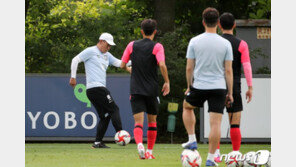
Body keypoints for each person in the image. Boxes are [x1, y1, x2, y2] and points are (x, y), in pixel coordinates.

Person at [181, 7, 233, 167]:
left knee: (187, 107)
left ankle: (192, 140)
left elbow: (189, 68)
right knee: (215, 123)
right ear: (218, 23)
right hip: (218, 87)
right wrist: (230, 93)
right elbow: (228, 70)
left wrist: (189, 86)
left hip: (199, 86)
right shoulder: (225, 43)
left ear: (203, 22)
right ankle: (210, 159)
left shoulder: (195, 41)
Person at [69, 32, 131, 148]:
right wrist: (73, 77)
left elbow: (119, 63)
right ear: (101, 41)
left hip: (94, 91)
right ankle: (121, 134)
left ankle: (97, 142)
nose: (109, 48)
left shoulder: (107, 55)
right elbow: (75, 60)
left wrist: (136, 61)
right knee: (114, 109)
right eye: (108, 45)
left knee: (105, 116)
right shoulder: (91, 51)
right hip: (96, 88)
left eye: (110, 46)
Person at [120, 19, 170, 159]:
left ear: (141, 31)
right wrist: (167, 81)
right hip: (151, 90)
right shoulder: (157, 46)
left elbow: (122, 65)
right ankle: (149, 152)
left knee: (138, 122)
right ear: (155, 32)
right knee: (152, 122)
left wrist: (131, 70)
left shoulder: (132, 45)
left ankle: (139, 145)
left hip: (136, 89)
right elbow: (162, 65)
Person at [213, 12, 253, 162]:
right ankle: (235, 154)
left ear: (219, 25)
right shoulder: (241, 44)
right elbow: (247, 66)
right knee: (235, 122)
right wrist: (250, 87)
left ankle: (215, 154)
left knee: (215, 122)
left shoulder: (216, 42)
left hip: (216, 85)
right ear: (234, 25)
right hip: (234, 85)